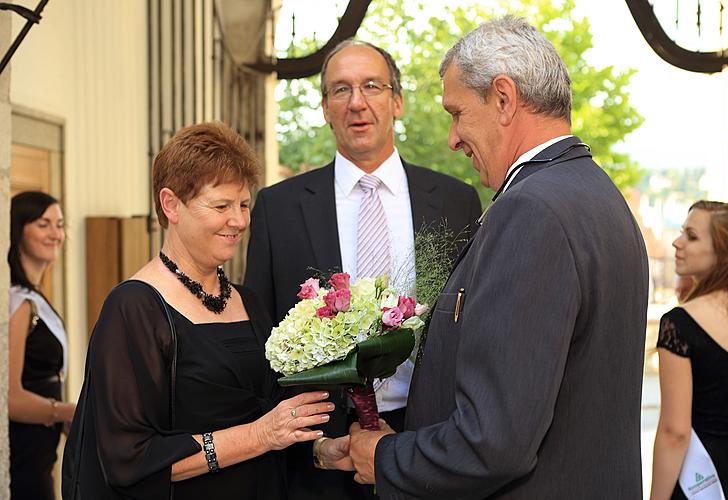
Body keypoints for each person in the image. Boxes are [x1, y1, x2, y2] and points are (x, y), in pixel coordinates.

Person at [341, 16, 649, 498]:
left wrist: (385, 458)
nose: (452, 138)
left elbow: (494, 441)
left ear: (503, 98)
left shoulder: (532, 211)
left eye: (457, 113)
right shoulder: (598, 193)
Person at [244, 40, 481, 499]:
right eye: (340, 90)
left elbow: (473, 328)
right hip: (320, 458)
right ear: (325, 108)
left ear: (397, 101)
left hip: (430, 445)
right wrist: (311, 446)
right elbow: (262, 339)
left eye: (372, 86)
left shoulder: (455, 201)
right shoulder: (279, 208)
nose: (357, 102)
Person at [62, 122, 344, 499]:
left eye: (243, 205)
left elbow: (273, 426)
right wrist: (259, 435)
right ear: (170, 204)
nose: (240, 221)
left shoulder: (250, 303)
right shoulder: (133, 309)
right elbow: (129, 460)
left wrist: (321, 451)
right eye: (221, 206)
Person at [651, 201, 728, 500]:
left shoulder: (679, 324)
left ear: (725, 251)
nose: (676, 242)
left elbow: (675, 432)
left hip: (702, 486)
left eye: (691, 236)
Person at [8, 191, 76, 500]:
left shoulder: (34, 297)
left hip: (42, 452)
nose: (55, 234)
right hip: (22, 455)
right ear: (17, 229)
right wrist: (67, 411)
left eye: (60, 225)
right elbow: (10, 398)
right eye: (43, 224)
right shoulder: (17, 302)